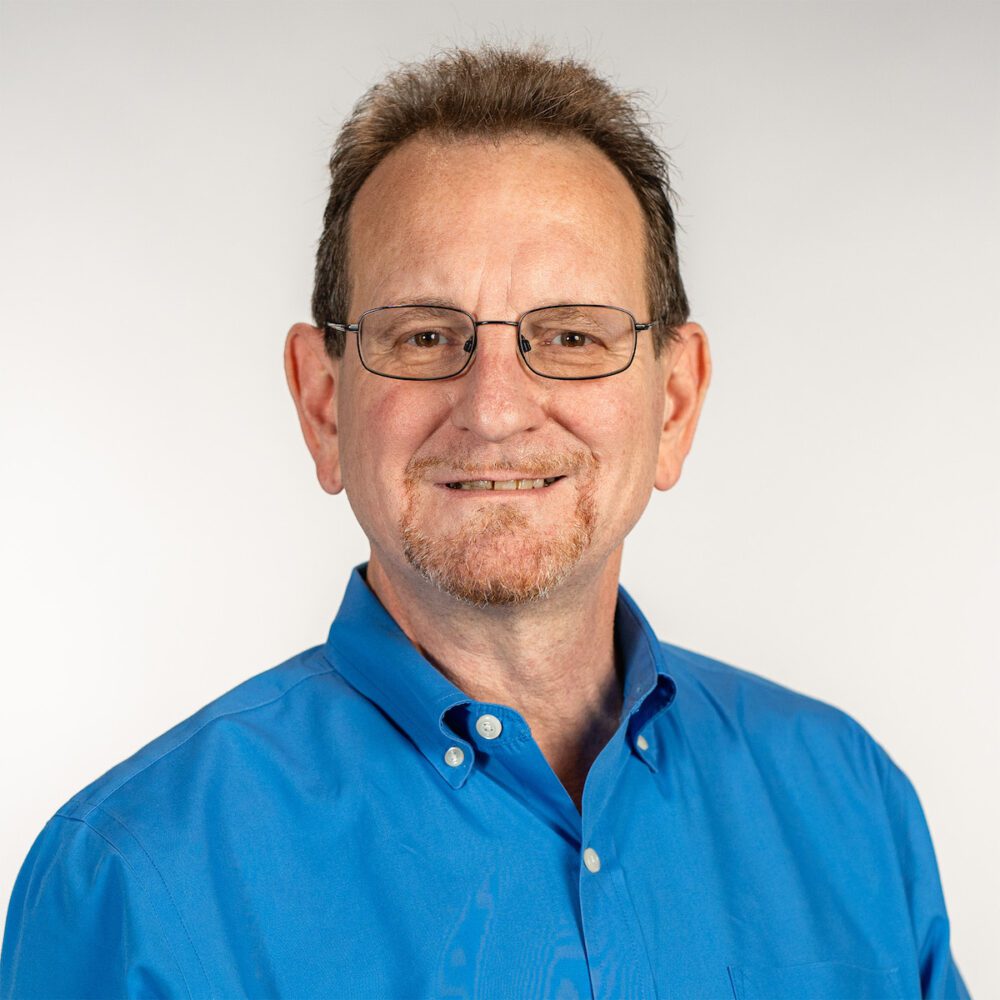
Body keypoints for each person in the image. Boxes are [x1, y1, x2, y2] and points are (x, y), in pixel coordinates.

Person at [0, 42, 969, 1000]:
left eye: (573, 336)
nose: (495, 407)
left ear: (672, 402)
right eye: (424, 337)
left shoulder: (846, 800)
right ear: (323, 403)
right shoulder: (137, 877)